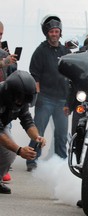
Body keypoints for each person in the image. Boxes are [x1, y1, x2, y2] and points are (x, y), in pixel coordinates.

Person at [26, 15, 71, 172]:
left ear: (60, 32)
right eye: (51, 31)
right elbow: (34, 76)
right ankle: (32, 160)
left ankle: (61, 162)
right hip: (45, 99)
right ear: (47, 33)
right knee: (38, 132)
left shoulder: (66, 51)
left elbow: (72, 75)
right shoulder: (40, 51)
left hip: (62, 101)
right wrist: (37, 98)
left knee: (61, 135)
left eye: (57, 31)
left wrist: (69, 101)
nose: (54, 34)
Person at [0, 70, 46, 194]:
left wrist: (37, 137)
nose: (22, 103)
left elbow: (27, 121)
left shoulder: (22, 100)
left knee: (9, 153)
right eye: (20, 99)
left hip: (1, 125)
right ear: (10, 94)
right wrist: (20, 150)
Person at [0, 21, 19, 182]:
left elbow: (13, 75)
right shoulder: (3, 58)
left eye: (0, 34)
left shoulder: (3, 54)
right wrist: (4, 62)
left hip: (2, 102)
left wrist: (12, 63)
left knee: (8, 147)